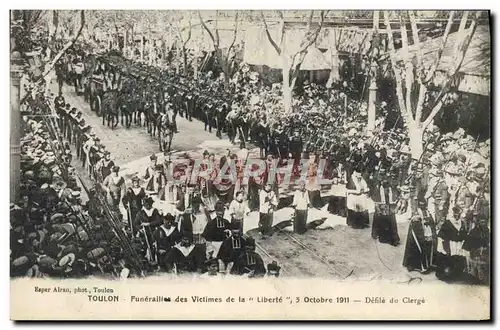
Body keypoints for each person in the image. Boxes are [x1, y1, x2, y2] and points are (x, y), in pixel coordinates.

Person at [371, 176, 400, 246]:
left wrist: (395, 208)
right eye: (385, 188)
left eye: (387, 188)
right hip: (381, 207)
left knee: (392, 222)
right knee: (380, 220)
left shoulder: (392, 190)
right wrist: (379, 209)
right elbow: (376, 202)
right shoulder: (378, 190)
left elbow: (396, 199)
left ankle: (394, 239)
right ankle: (379, 236)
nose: (386, 189)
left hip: (389, 207)